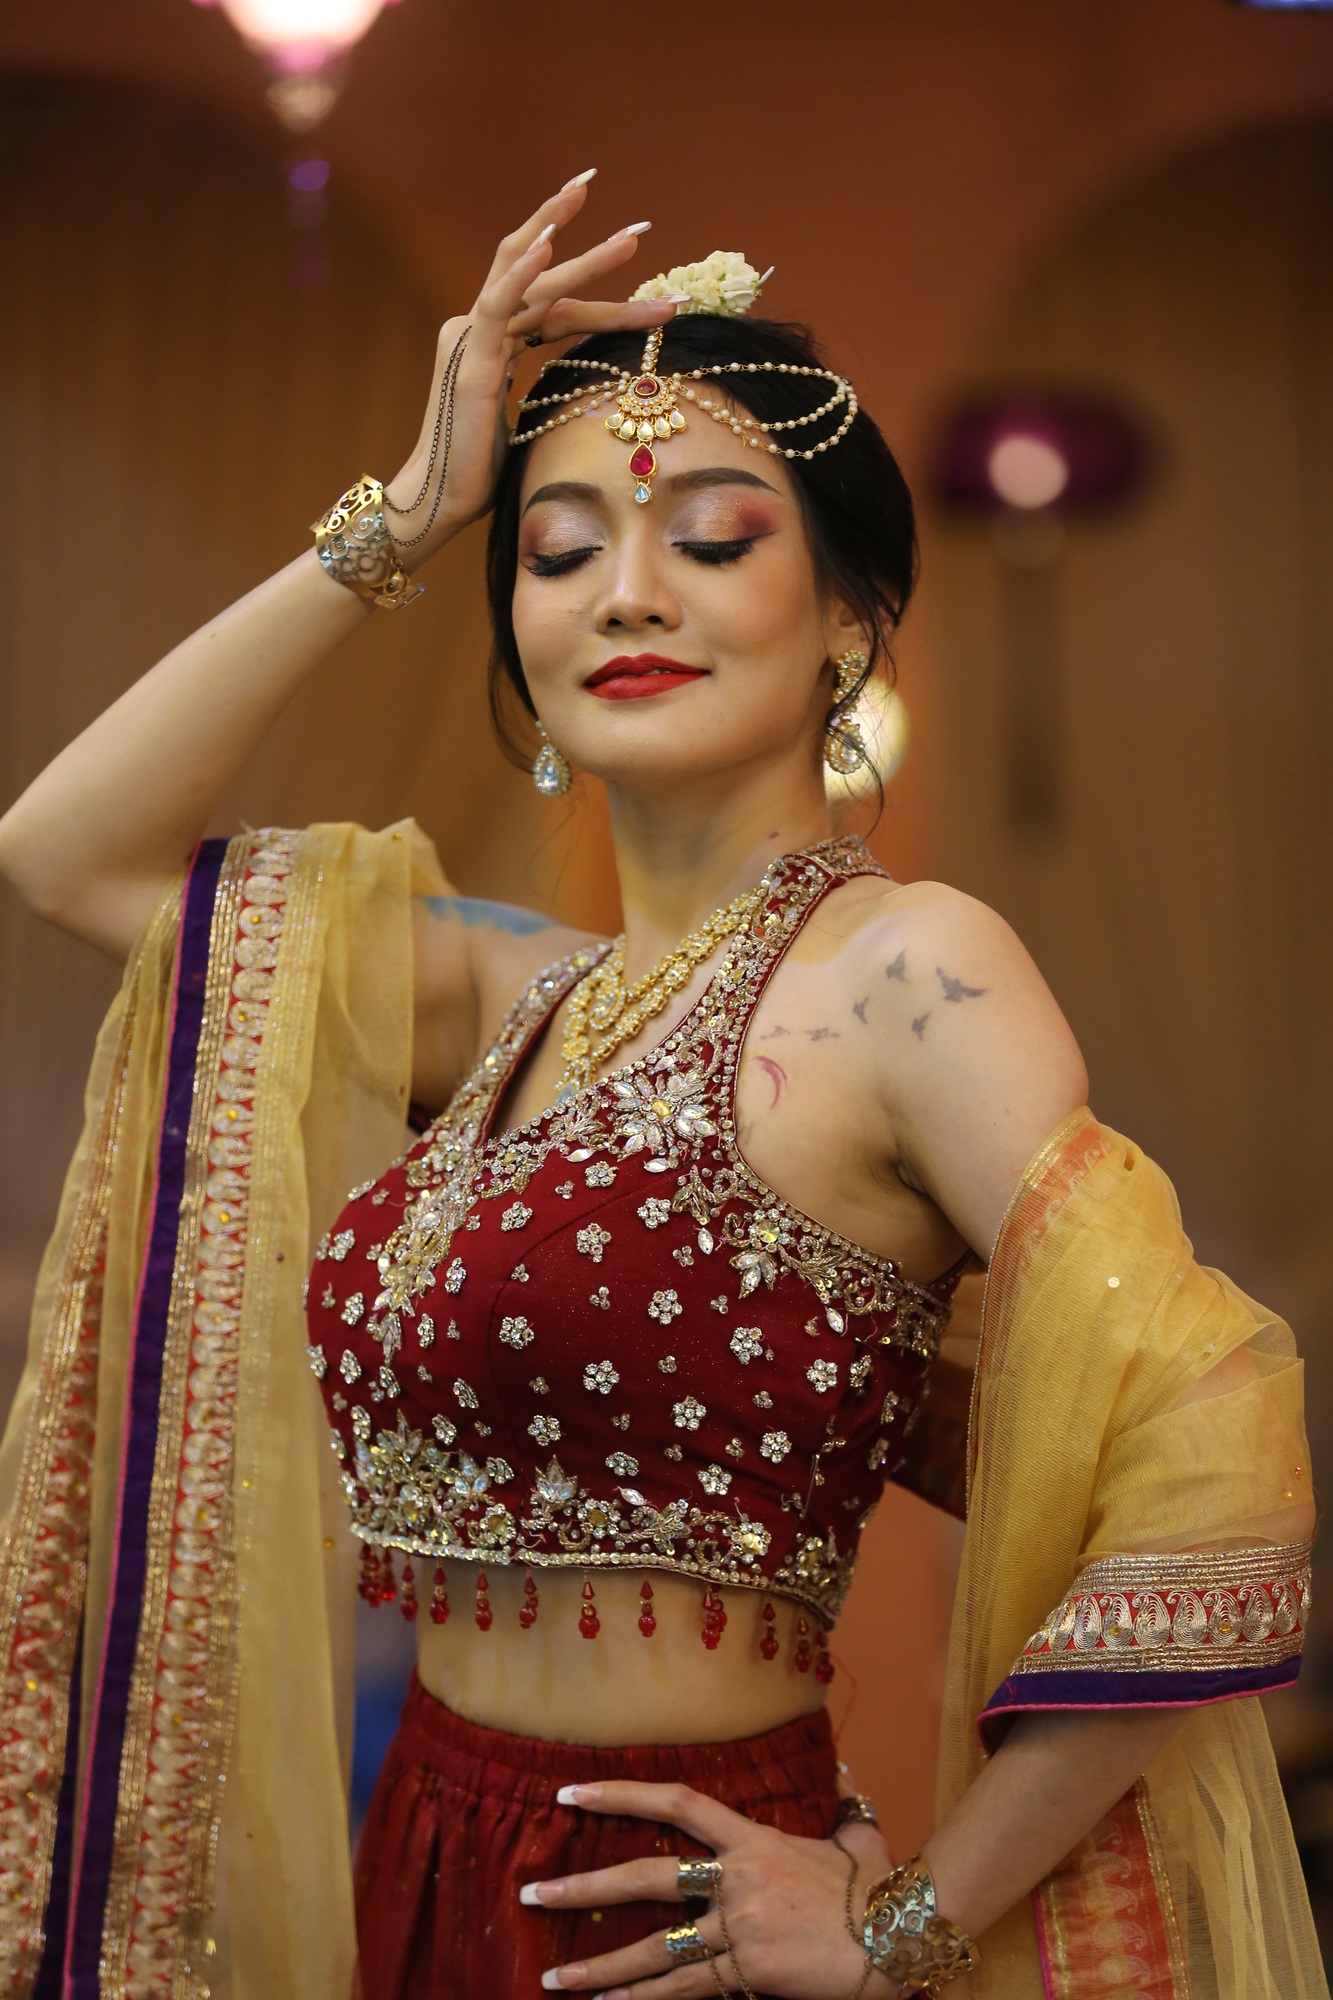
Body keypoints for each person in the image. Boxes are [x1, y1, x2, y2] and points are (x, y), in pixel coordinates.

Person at [0, 175, 1320, 2000]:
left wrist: (904, 1923)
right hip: (427, 1853)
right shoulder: (509, 995)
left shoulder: (902, 974)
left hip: (672, 1918)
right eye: (555, 552)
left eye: (711, 539)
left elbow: (1218, 1461)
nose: (627, 589)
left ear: (847, 622)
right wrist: (401, 515)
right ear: (525, 660)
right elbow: (66, 852)